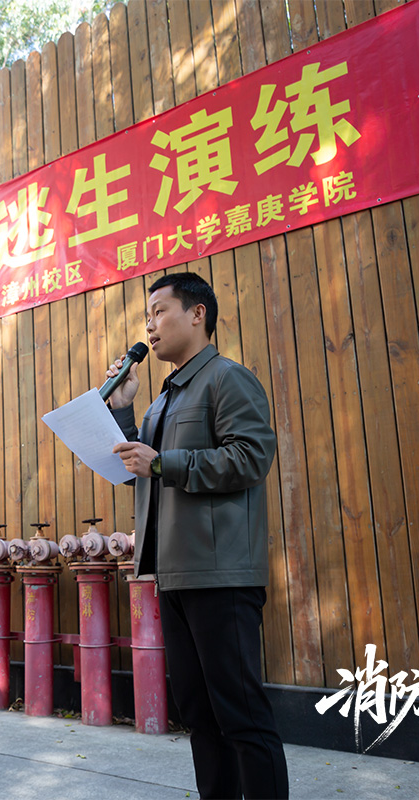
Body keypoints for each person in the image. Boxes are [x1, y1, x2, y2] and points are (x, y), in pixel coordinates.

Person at [108, 272, 289, 799]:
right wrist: (123, 409)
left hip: (221, 573)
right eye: (147, 316)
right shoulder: (162, 401)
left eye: (159, 311)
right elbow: (141, 469)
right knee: (199, 713)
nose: (150, 326)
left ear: (197, 314)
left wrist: (163, 462)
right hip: (174, 574)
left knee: (240, 713)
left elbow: (250, 457)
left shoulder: (227, 379)